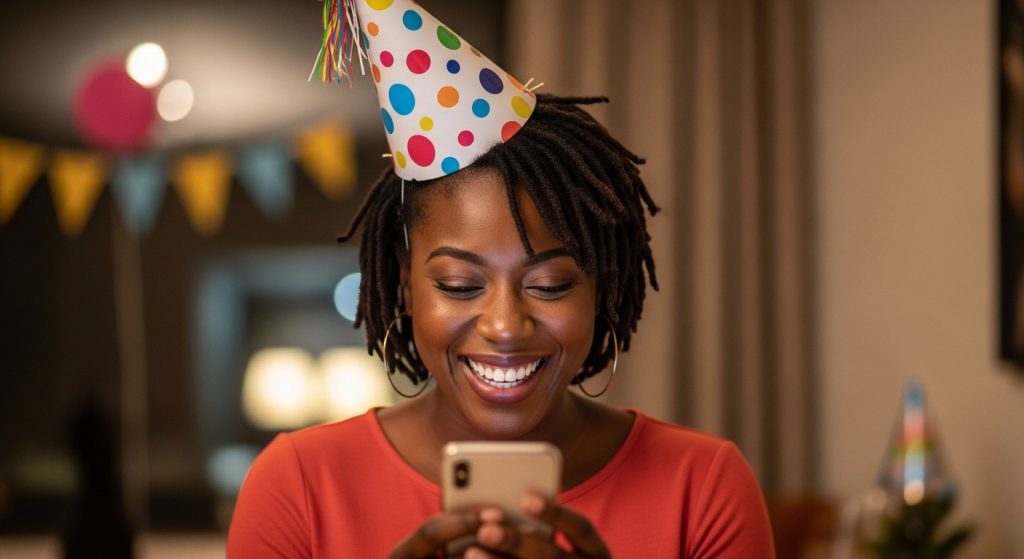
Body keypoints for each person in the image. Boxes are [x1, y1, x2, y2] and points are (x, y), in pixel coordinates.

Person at [227, 1, 775, 557]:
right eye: (461, 286)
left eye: (550, 284)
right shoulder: (297, 485)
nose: (506, 326)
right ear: (405, 284)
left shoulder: (704, 486)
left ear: (600, 288)